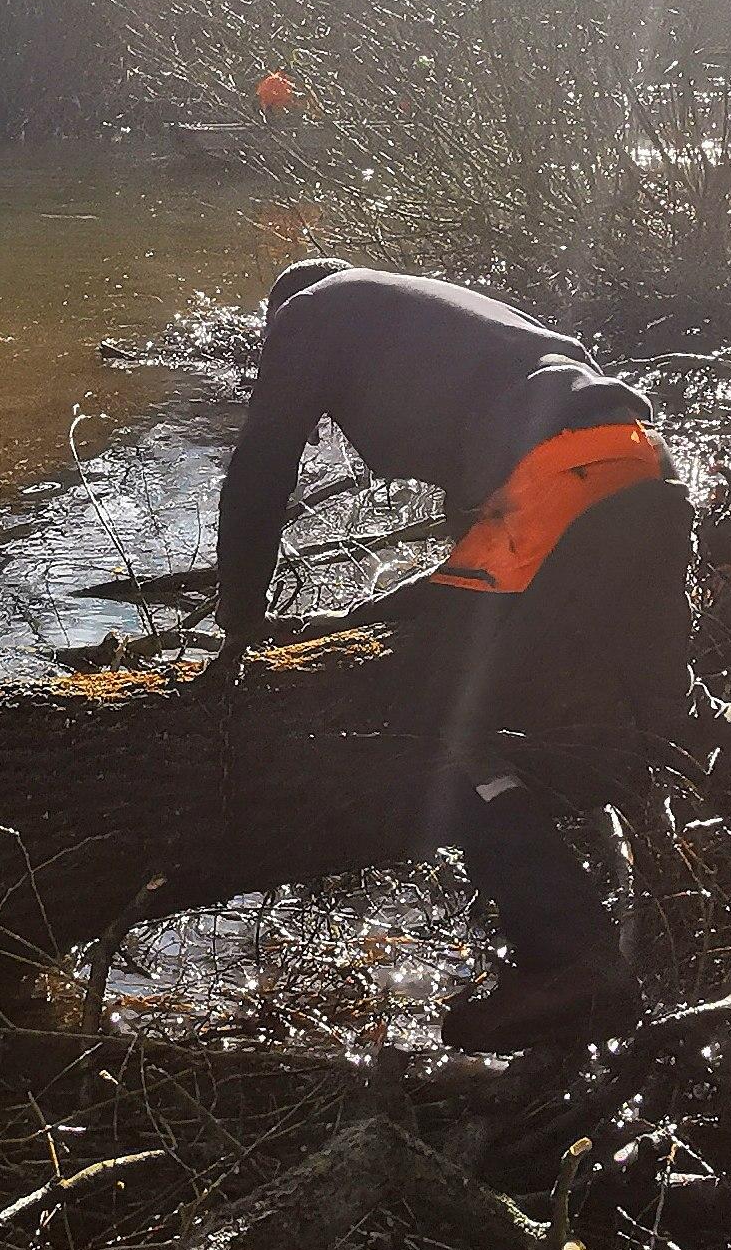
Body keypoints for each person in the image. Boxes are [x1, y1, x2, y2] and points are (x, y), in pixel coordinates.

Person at [204, 260, 684, 1049]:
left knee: (424, 710)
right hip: (640, 462)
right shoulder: (451, 322)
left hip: (555, 477)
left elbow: (259, 469)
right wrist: (390, 606)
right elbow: (502, 524)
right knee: (663, 713)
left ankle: (569, 957)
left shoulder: (305, 313)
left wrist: (240, 620)